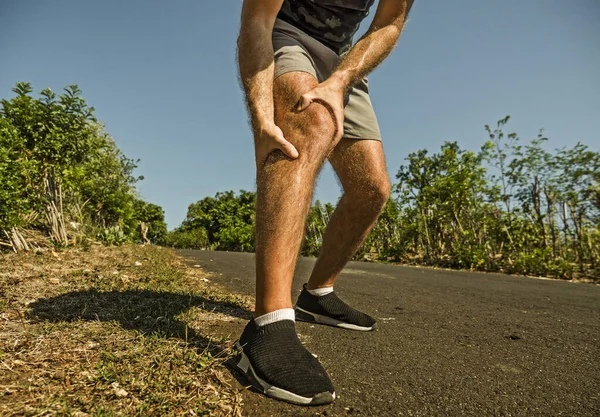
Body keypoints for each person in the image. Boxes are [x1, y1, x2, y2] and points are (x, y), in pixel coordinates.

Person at [235, 0, 414, 405]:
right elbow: (258, 20)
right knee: (310, 124)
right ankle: (269, 323)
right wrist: (264, 118)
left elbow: (389, 24)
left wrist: (341, 78)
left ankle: (316, 295)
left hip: (344, 58)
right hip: (287, 33)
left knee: (372, 188)